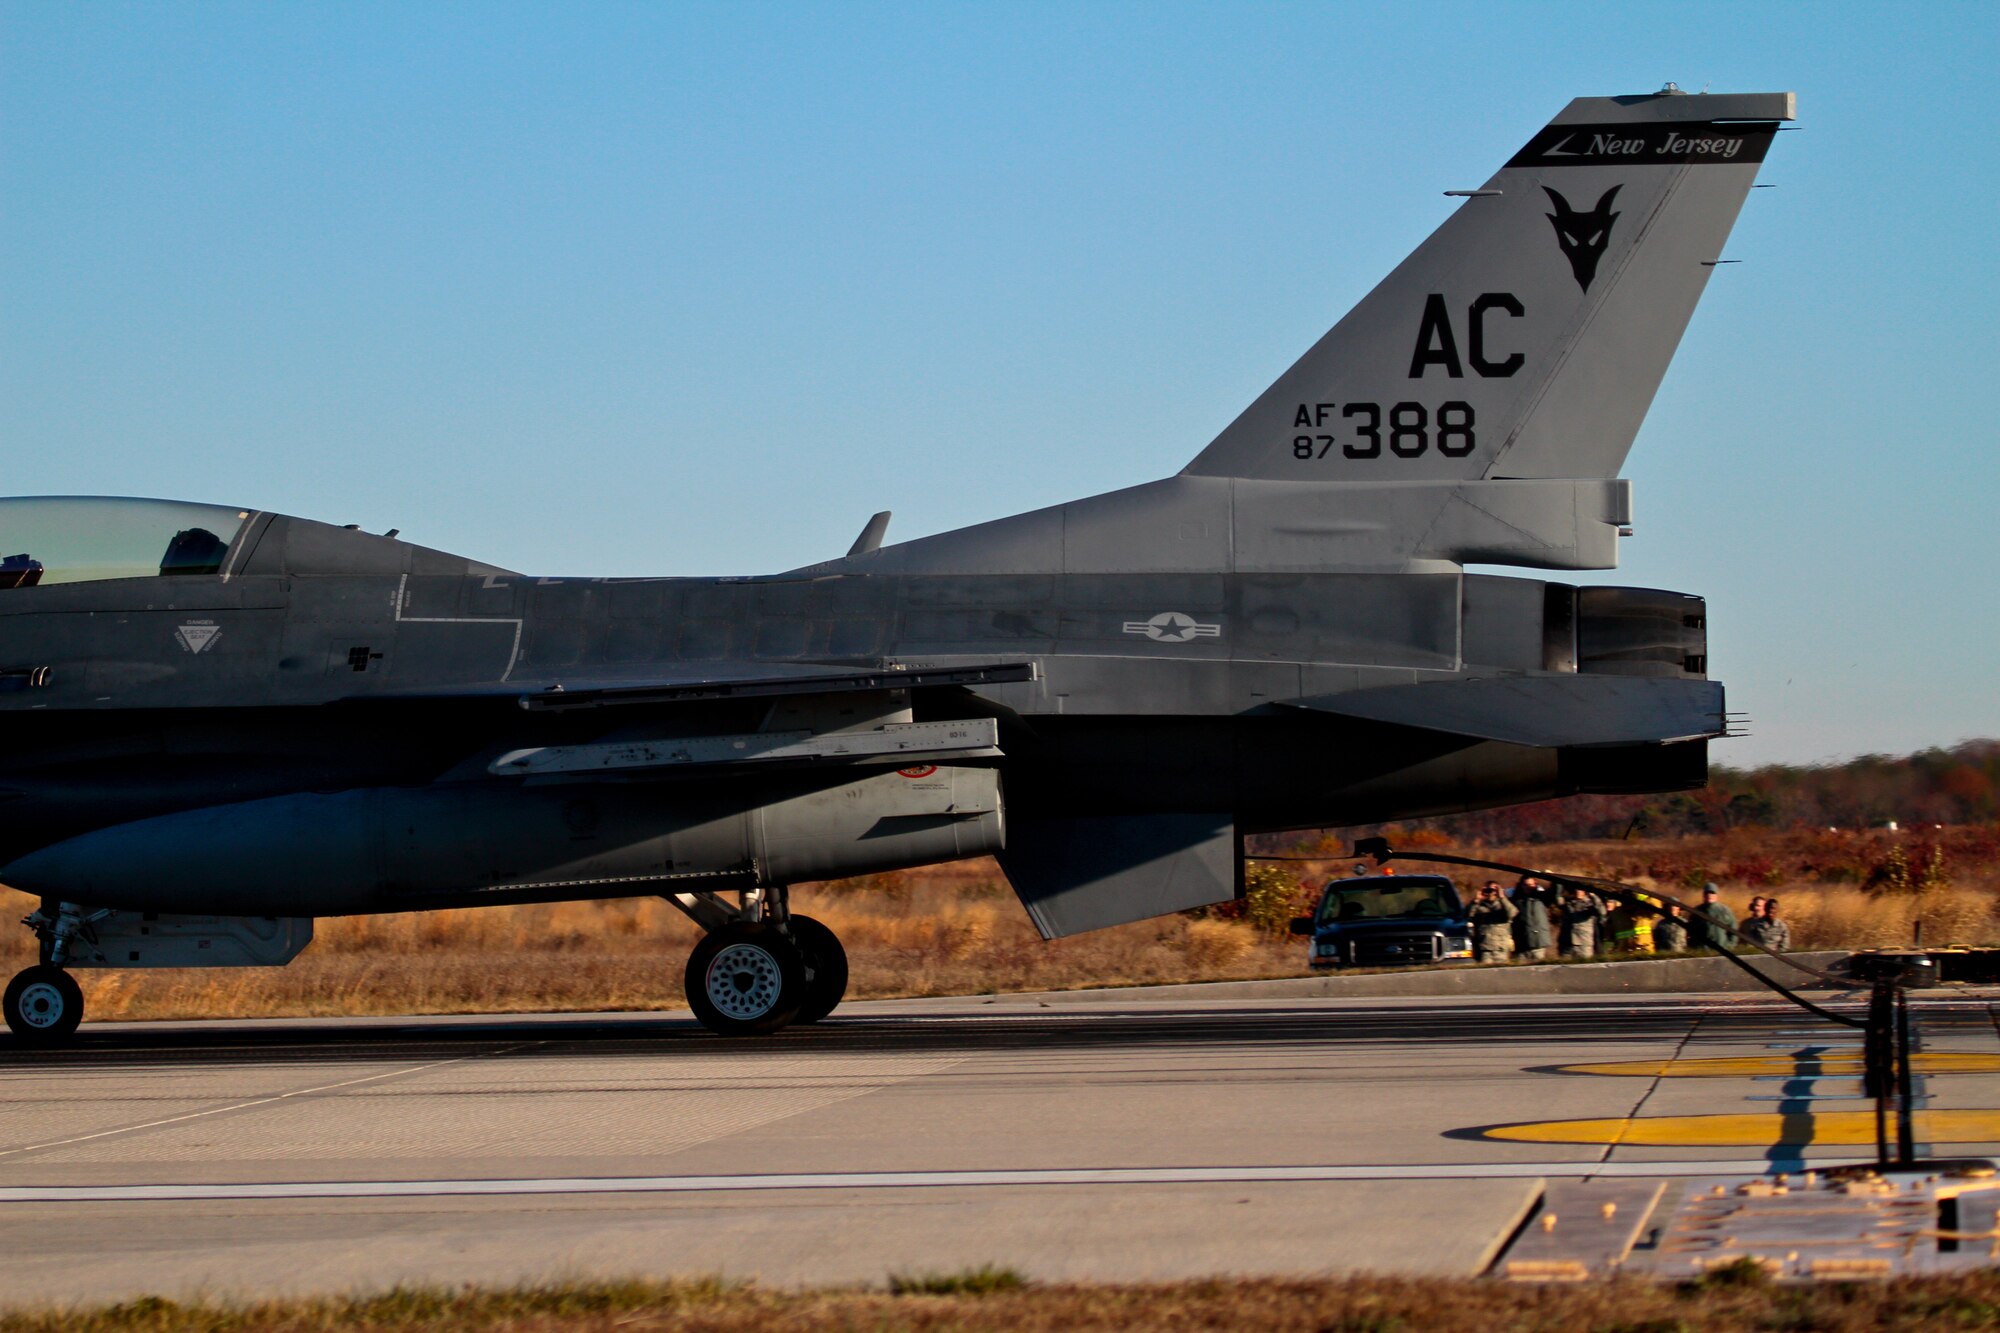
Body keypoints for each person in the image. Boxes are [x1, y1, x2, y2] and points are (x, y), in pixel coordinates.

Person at [1468, 881, 1518, 964]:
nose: (1490, 893)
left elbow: (1512, 913)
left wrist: (1502, 897)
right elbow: (1467, 916)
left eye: (1493, 890)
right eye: (1488, 890)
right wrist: (1476, 901)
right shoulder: (1479, 907)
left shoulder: (1504, 905)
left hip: (1501, 949)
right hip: (1485, 949)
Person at [1511, 876, 1556, 960]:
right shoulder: (1516, 900)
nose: (1528, 887)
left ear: (1535, 885)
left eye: (1530, 885)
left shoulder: (1542, 897)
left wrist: (1554, 879)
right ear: (1521, 886)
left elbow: (1554, 892)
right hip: (1521, 944)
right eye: (1525, 885)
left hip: (1538, 943)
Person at [1688, 883, 1738, 951]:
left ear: (1716, 895)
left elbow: (1733, 929)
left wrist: (1730, 945)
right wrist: (1695, 946)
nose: (1709, 895)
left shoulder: (1725, 910)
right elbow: (1691, 931)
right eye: (1707, 893)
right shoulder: (1697, 911)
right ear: (1703, 895)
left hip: (1722, 950)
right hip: (1703, 951)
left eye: (1712, 893)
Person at [1560, 885, 1605, 958]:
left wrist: (1594, 896)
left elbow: (1602, 911)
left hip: (1584, 942)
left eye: (1581, 890)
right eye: (1577, 890)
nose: (1578, 892)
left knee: (1585, 965)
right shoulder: (1570, 903)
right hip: (1570, 941)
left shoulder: (1590, 904)